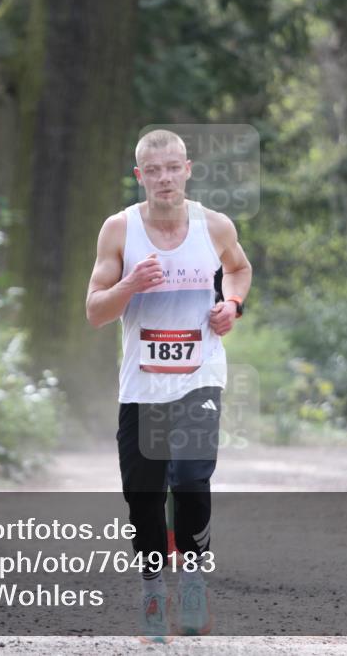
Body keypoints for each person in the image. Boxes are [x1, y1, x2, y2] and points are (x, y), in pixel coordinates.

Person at [85, 129, 252, 641]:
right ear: (139, 176)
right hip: (142, 386)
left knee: (191, 481)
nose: (163, 178)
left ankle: (195, 584)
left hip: (200, 379)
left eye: (172, 167)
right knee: (143, 496)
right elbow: (94, 311)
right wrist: (130, 284)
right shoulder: (119, 230)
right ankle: (155, 590)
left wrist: (231, 306)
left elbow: (239, 269)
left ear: (188, 169)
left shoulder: (215, 225)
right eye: (152, 170)